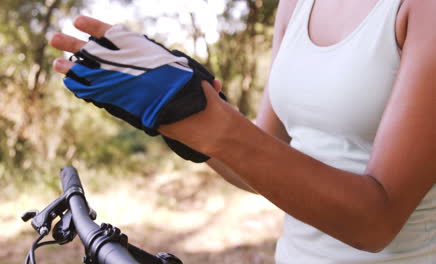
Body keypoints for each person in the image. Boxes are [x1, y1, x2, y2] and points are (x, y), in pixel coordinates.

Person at [49, 0, 436, 262]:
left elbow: (377, 221)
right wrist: (178, 117)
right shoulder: (297, 5)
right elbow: (256, 164)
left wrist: (213, 119)